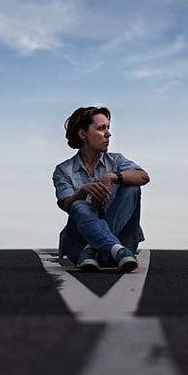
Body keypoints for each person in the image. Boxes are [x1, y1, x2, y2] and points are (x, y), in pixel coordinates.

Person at [52, 106, 149, 272]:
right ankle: (111, 248)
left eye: (108, 128)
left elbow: (143, 176)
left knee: (132, 188)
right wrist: (83, 192)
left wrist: (113, 176)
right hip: (81, 245)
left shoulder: (116, 160)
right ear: (83, 134)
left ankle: (93, 250)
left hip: (118, 247)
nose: (108, 134)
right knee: (79, 205)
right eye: (101, 128)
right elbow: (65, 204)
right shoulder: (63, 170)